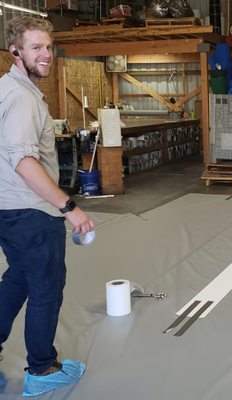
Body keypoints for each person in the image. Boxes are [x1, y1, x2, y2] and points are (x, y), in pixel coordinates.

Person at [0, 15, 95, 397]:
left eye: (48, 47)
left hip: (8, 208)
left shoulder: (7, 89)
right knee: (46, 288)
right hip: (32, 211)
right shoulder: (22, 98)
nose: (46, 55)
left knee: (18, 280)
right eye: (36, 47)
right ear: (16, 52)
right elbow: (23, 160)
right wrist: (68, 207)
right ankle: (42, 368)